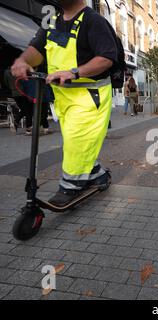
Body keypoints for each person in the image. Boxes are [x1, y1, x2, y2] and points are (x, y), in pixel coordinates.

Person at [11, 0, 118, 207]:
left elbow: (106, 57)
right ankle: (97, 174)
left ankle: (70, 185)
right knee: (73, 143)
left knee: (77, 141)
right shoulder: (51, 21)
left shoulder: (93, 20)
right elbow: (36, 49)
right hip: (62, 97)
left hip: (88, 97)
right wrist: (24, 60)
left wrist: (74, 72)